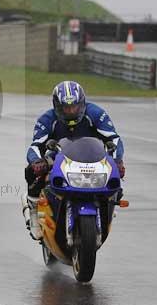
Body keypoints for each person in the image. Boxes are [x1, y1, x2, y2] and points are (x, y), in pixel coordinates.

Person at [22, 81, 125, 240]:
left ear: (82, 103)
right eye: (66, 108)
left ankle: (110, 202)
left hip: (92, 156)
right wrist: (36, 161)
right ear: (56, 106)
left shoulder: (96, 113)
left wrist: (118, 160)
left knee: (116, 173)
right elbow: (35, 145)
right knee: (32, 172)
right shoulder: (47, 119)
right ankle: (34, 210)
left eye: (74, 107)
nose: (71, 111)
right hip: (58, 156)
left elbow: (114, 138)